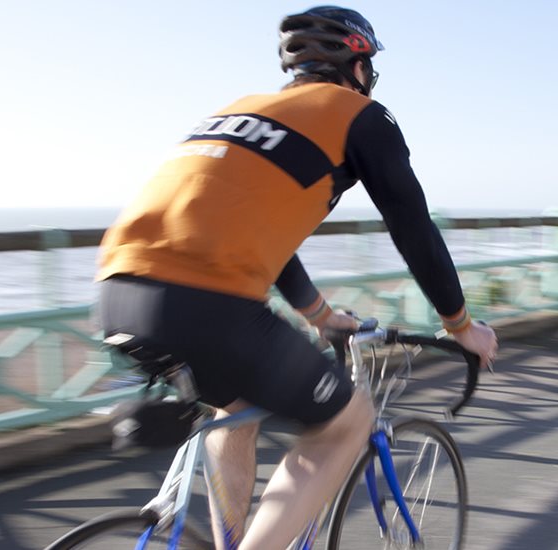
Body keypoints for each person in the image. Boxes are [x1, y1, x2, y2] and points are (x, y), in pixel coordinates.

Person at [94, 6, 499, 549]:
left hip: (117, 289)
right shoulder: (359, 114)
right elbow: (411, 222)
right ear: (358, 65)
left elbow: (251, 231)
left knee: (233, 409)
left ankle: (230, 541)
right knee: (347, 423)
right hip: (206, 301)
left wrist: (321, 316)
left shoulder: (244, 110)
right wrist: (460, 323)